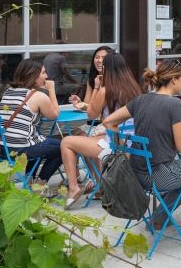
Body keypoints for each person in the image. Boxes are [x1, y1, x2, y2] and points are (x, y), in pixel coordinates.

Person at [102, 59, 181, 227]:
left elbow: (108, 121)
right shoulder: (174, 104)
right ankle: (159, 217)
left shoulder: (141, 100)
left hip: (134, 173)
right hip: (158, 177)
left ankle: (159, 219)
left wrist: (124, 150)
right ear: (174, 79)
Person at [61, 52, 142, 209]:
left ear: (108, 69)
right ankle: (101, 186)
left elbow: (91, 114)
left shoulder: (106, 90)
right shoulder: (134, 88)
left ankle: (74, 188)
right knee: (83, 138)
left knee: (66, 142)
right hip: (132, 143)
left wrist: (97, 86)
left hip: (116, 146)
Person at [0, 59, 62, 196]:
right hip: (21, 149)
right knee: (64, 147)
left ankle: (30, 182)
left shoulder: (8, 91)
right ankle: (39, 186)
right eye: (43, 73)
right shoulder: (38, 96)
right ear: (33, 74)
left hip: (3, 148)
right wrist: (51, 90)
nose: (46, 76)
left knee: (39, 142)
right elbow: (55, 114)